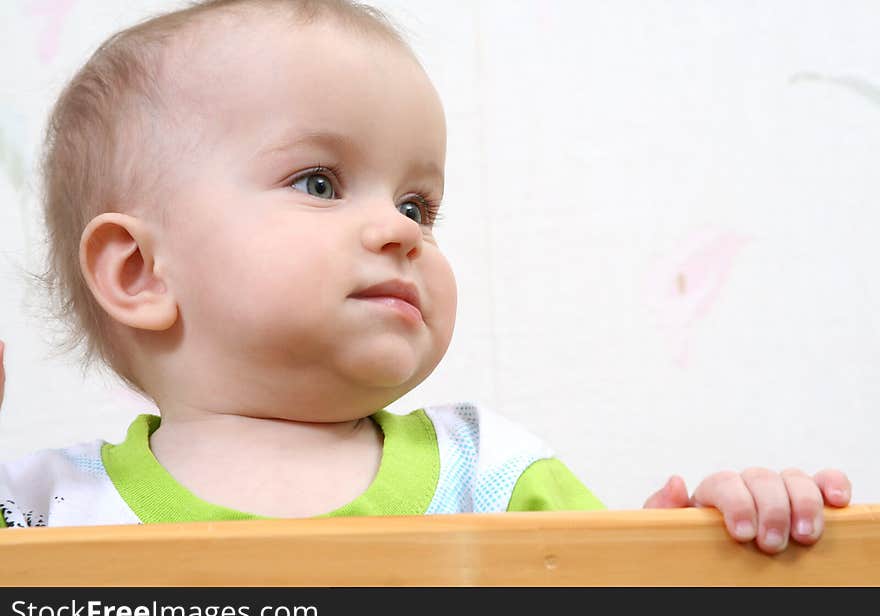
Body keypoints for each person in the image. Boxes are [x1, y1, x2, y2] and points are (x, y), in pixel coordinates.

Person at [0, 0, 851, 554]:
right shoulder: (45, 511)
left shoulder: (489, 474)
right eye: (320, 183)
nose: (399, 232)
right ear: (141, 271)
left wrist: (722, 538)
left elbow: (618, 601)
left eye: (419, 205)